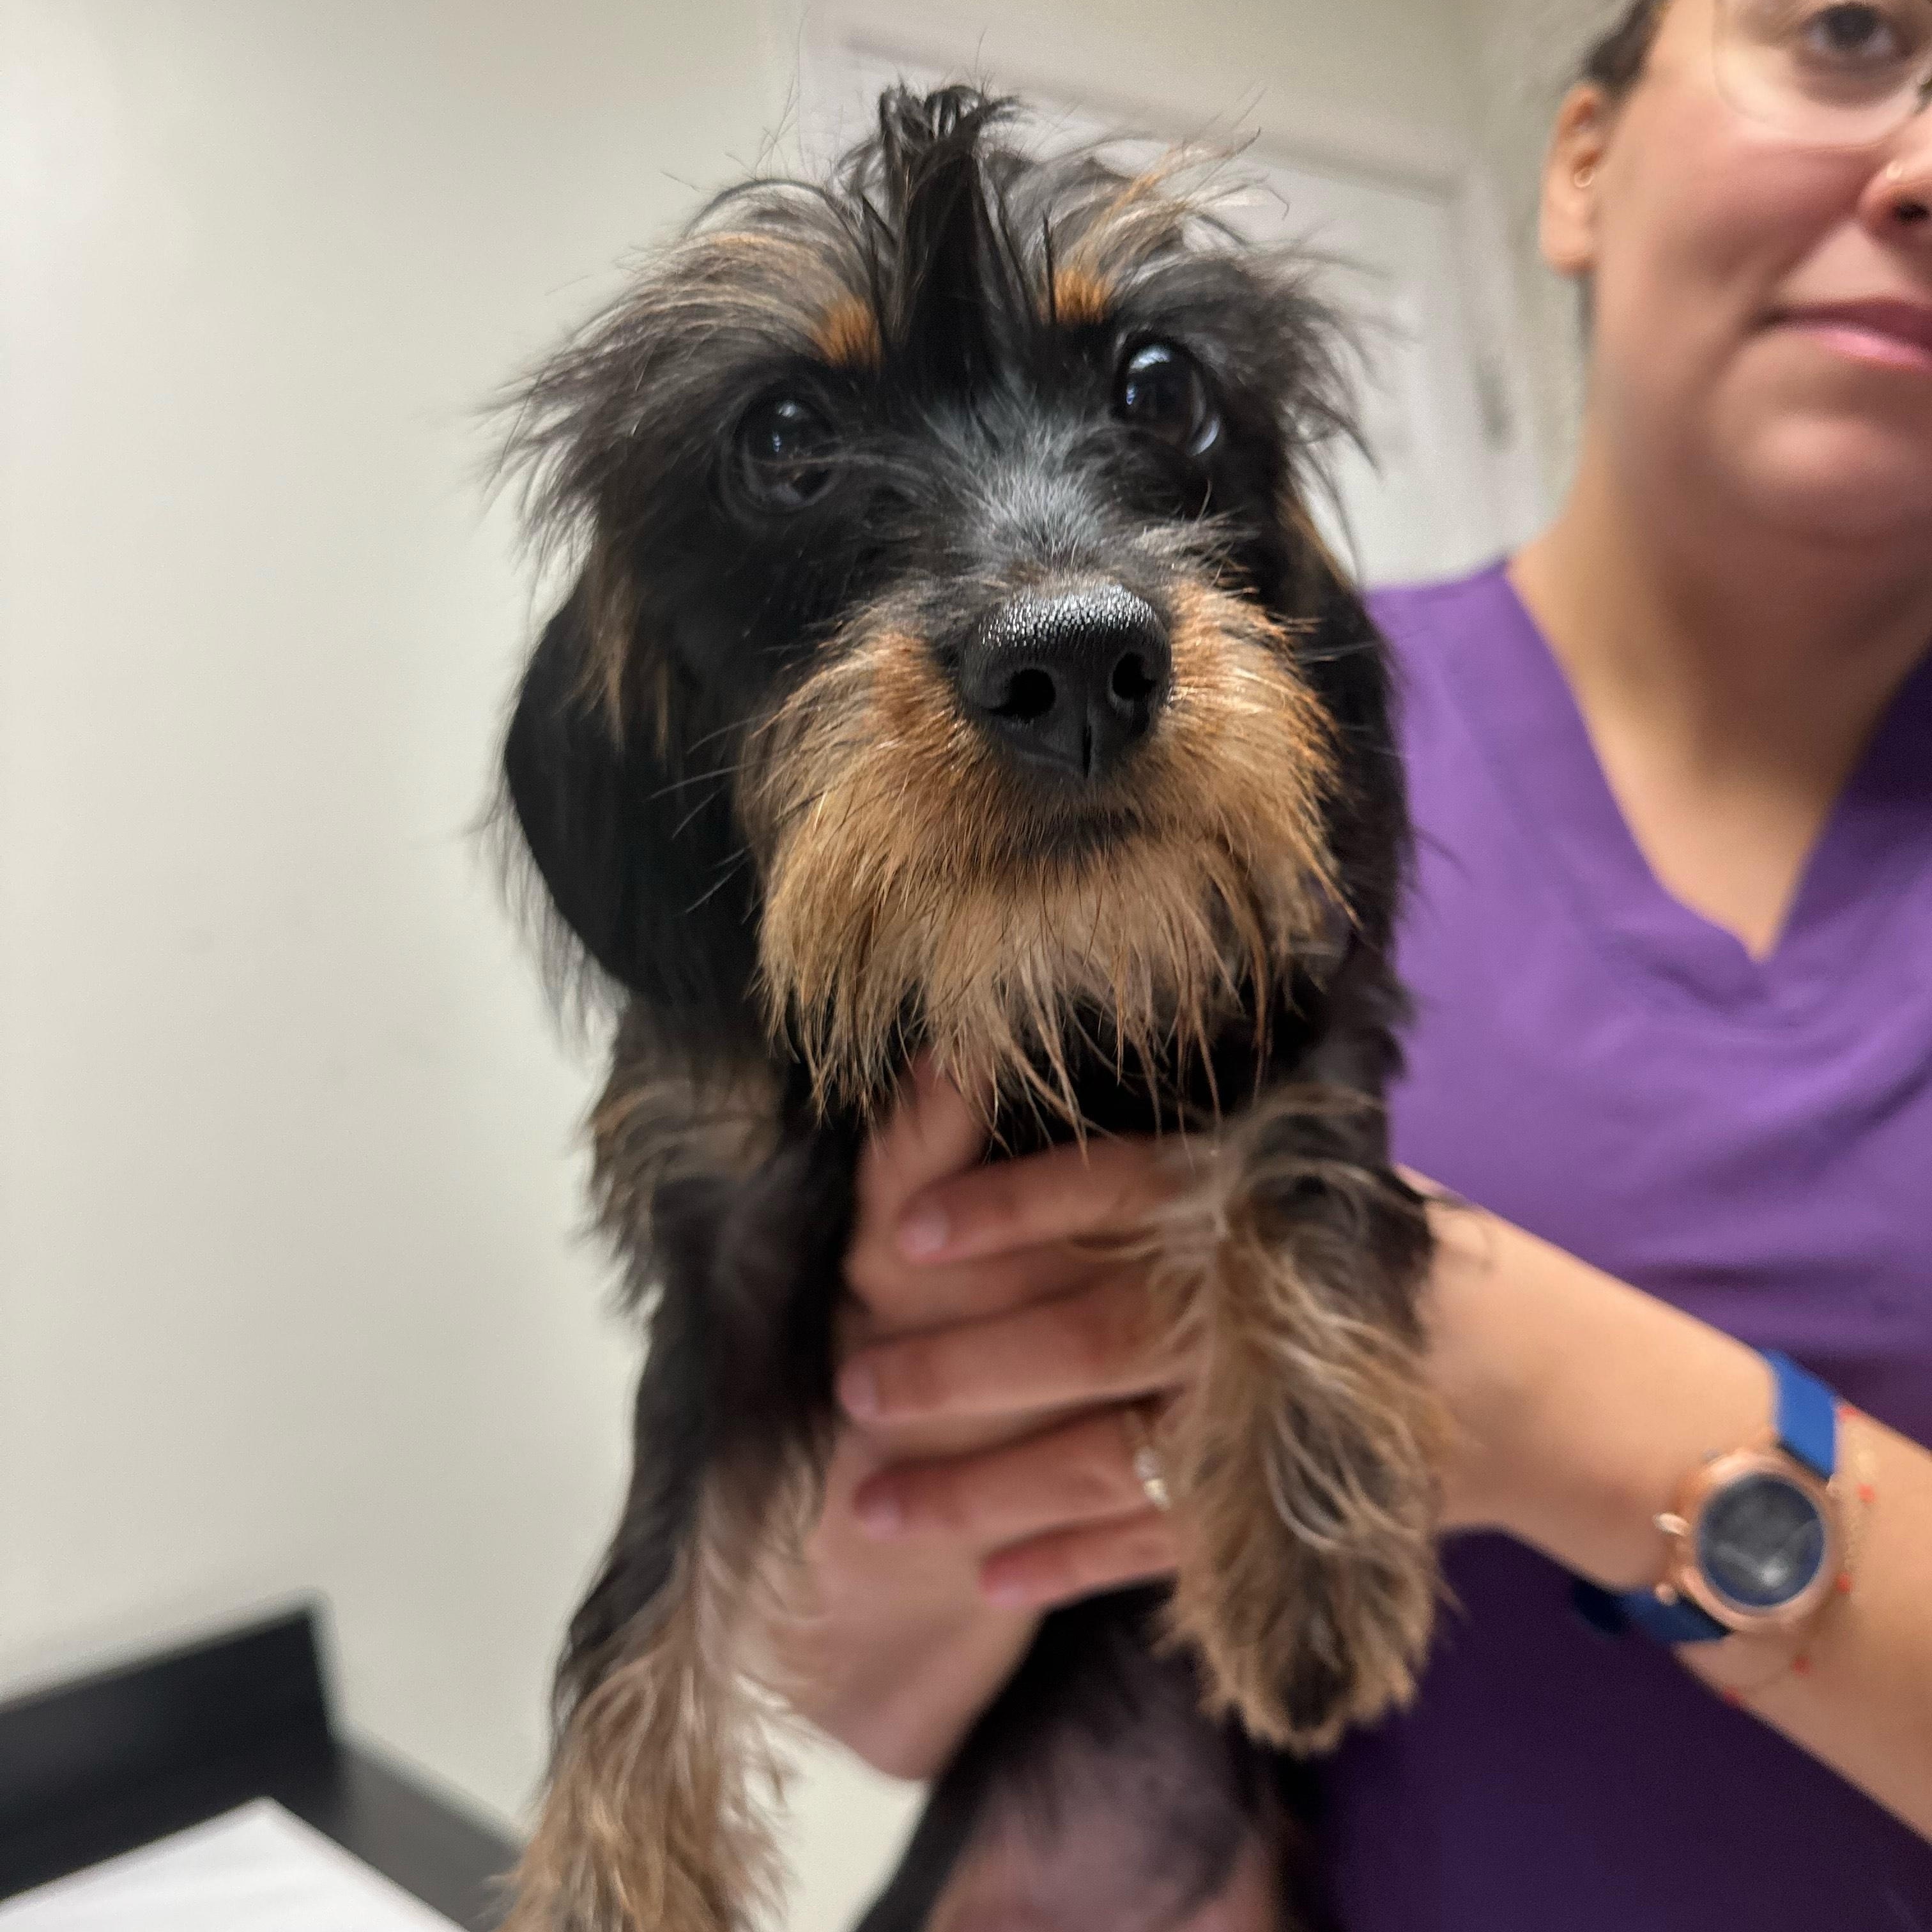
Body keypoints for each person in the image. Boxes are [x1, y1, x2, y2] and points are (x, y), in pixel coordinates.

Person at [770, 0, 1932, 1921]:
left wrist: (1560, 1412)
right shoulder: (1147, 744)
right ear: (1580, 162)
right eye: (1844, 31)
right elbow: (874, 1688)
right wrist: (904, 1487)